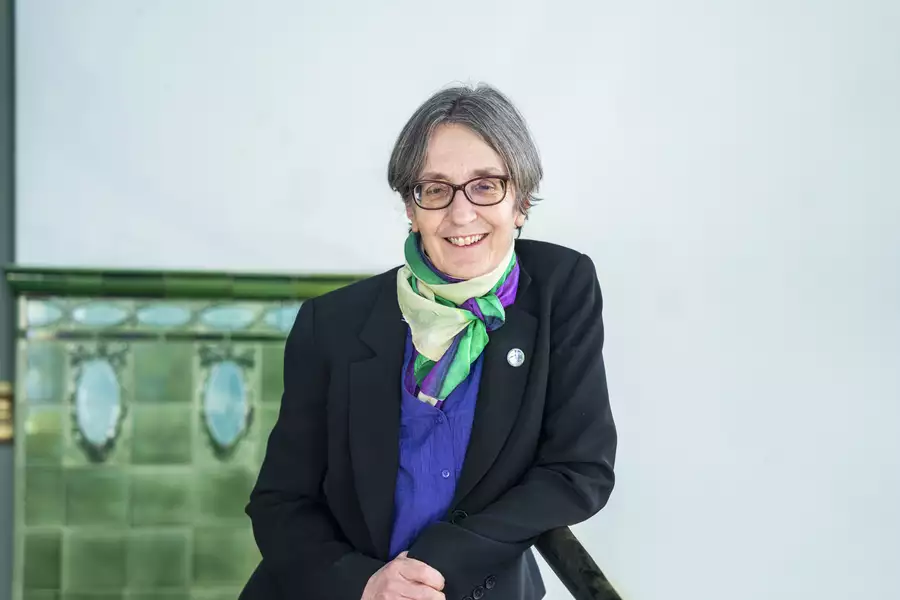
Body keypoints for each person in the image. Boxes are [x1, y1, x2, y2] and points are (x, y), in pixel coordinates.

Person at [239, 83, 617, 600]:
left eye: (486, 186)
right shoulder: (330, 323)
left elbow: (580, 468)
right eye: (435, 189)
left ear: (522, 202)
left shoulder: (560, 288)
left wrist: (433, 563)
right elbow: (280, 502)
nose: (461, 214)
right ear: (410, 207)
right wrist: (367, 585)